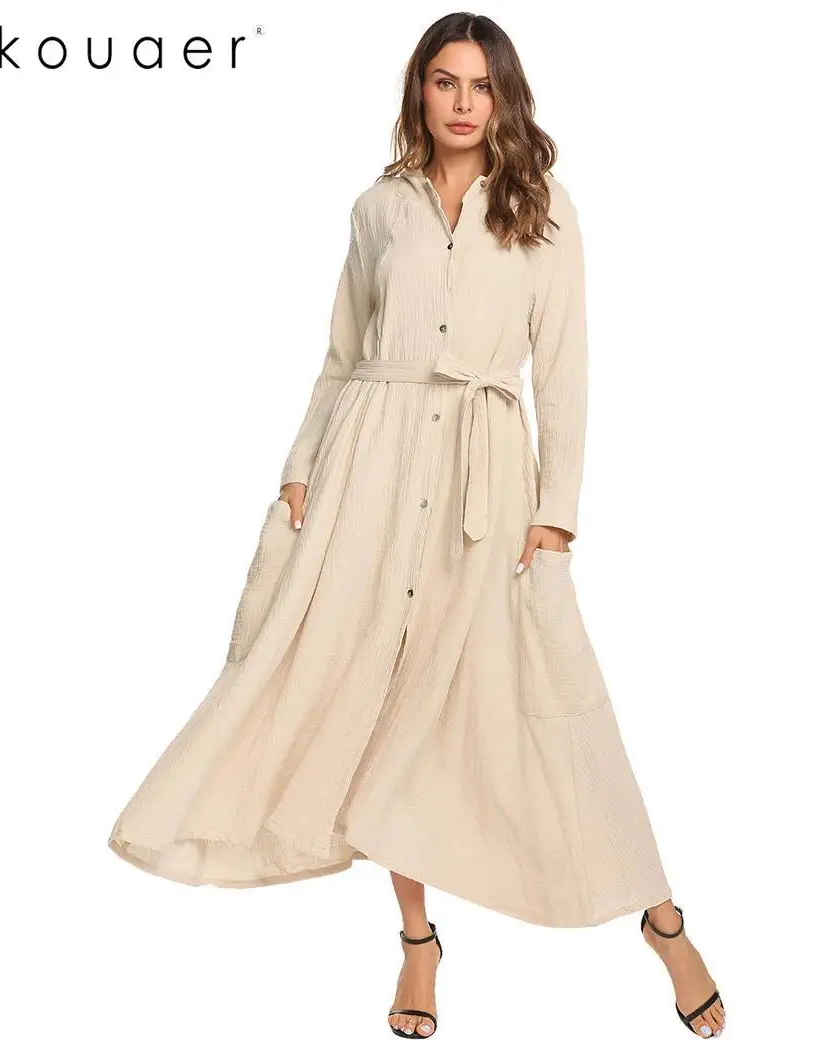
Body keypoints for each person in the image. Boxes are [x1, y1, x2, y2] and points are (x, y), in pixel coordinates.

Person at [107, 11, 725, 1042]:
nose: (463, 102)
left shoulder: (543, 209)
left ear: (504, 96)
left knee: (548, 700)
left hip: (485, 480)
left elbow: (564, 371)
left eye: (481, 84)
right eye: (445, 81)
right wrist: (300, 471)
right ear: (420, 91)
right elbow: (342, 354)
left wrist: (556, 517)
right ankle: (417, 942)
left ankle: (661, 918)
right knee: (384, 706)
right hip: (368, 469)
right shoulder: (376, 207)